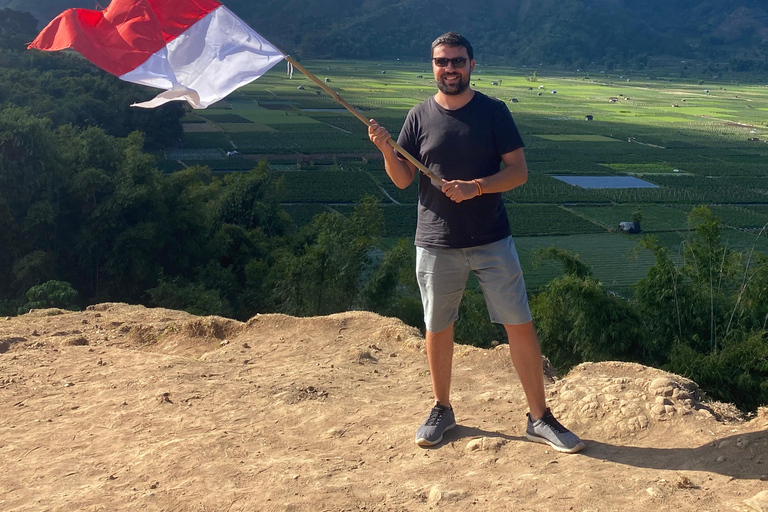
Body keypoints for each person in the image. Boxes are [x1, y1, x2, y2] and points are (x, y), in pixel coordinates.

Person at [367, 32, 583, 454]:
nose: (450, 68)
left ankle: (539, 418)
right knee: (437, 327)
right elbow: (403, 179)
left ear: (471, 65)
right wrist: (386, 151)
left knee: (519, 324)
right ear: (432, 66)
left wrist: (476, 187)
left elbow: (518, 172)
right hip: (435, 241)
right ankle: (441, 408)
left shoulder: (494, 113)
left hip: (491, 239)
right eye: (442, 61)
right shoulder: (418, 116)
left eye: (458, 61)